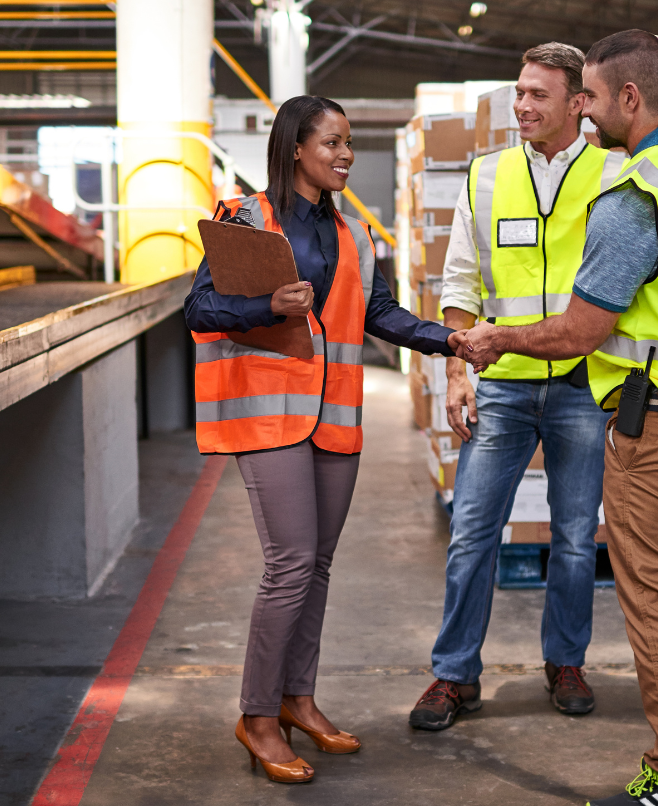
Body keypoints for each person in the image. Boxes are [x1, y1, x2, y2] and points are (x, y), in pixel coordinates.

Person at [459, 30, 658, 806]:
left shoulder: (640, 192)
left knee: (655, 595)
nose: (585, 112)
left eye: (591, 98)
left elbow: (578, 331)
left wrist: (494, 338)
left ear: (629, 98)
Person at [185, 95, 463, 784]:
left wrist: (451, 340)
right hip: (268, 416)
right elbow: (199, 307)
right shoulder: (246, 217)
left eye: (347, 143)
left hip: (334, 417)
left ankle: (296, 699)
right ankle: (255, 716)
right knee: (290, 562)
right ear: (297, 148)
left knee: (318, 566)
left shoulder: (354, 235)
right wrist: (264, 307)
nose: (344, 155)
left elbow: (380, 314)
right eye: (332, 143)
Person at [408, 43, 627, 732]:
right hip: (500, 383)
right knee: (472, 531)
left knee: (571, 536)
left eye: (538, 95)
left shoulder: (616, 175)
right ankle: (454, 674)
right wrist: (454, 371)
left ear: (577, 103)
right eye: (519, 93)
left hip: (579, 386)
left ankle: (566, 661)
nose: (523, 106)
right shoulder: (487, 173)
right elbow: (461, 280)